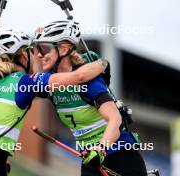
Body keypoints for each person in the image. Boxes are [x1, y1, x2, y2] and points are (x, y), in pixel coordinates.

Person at [0, 29, 107, 176]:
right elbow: (77, 77)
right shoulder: (25, 83)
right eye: (31, 51)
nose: (36, 55)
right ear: (23, 55)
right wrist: (102, 63)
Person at [33, 20, 147, 176]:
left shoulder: (90, 81)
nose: (39, 54)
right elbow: (30, 79)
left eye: (44, 48)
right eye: (37, 49)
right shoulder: (49, 83)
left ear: (64, 49)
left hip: (120, 156)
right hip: (90, 160)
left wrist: (100, 150)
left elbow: (115, 119)